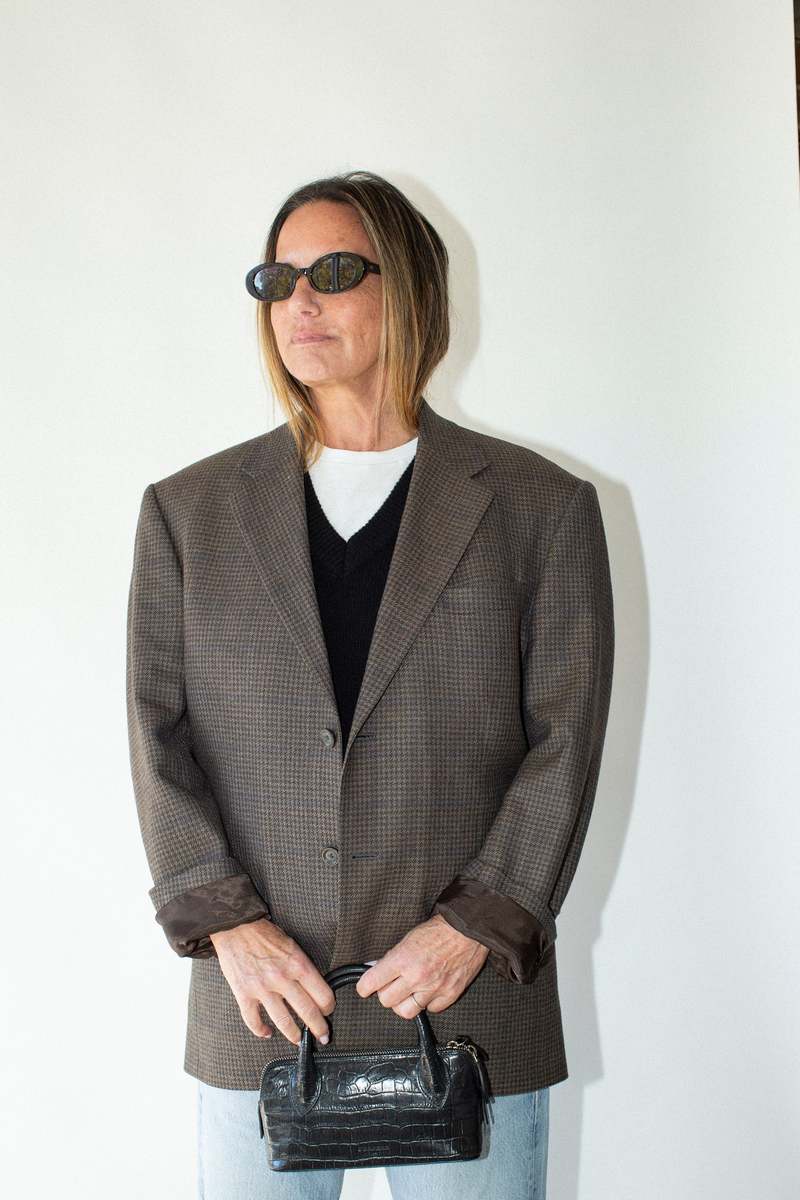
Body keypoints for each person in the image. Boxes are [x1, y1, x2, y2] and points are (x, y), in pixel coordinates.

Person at [126, 170, 615, 1199]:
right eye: (278, 280)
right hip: (264, 1001)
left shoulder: (539, 508)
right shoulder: (190, 512)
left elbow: (565, 739)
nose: (298, 302)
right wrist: (229, 925)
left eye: (335, 272)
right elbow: (155, 734)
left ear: (413, 290)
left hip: (464, 996)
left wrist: (476, 925)